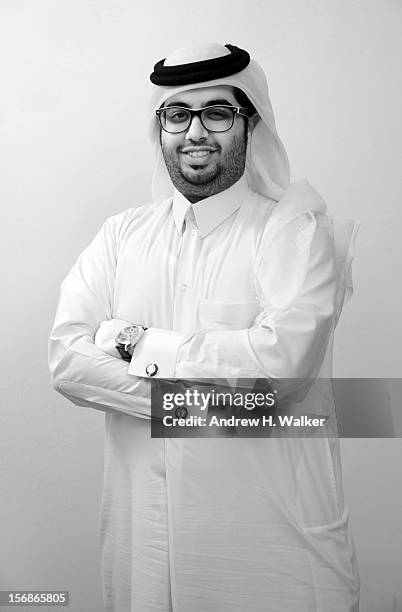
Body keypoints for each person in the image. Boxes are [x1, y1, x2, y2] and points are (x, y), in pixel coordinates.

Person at [49, 43, 360, 611]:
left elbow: (282, 368)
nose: (195, 131)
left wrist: (138, 345)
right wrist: (216, 403)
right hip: (142, 551)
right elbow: (67, 363)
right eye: (177, 114)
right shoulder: (121, 237)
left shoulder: (293, 231)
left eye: (218, 112)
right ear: (160, 127)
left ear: (250, 123)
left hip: (270, 557)